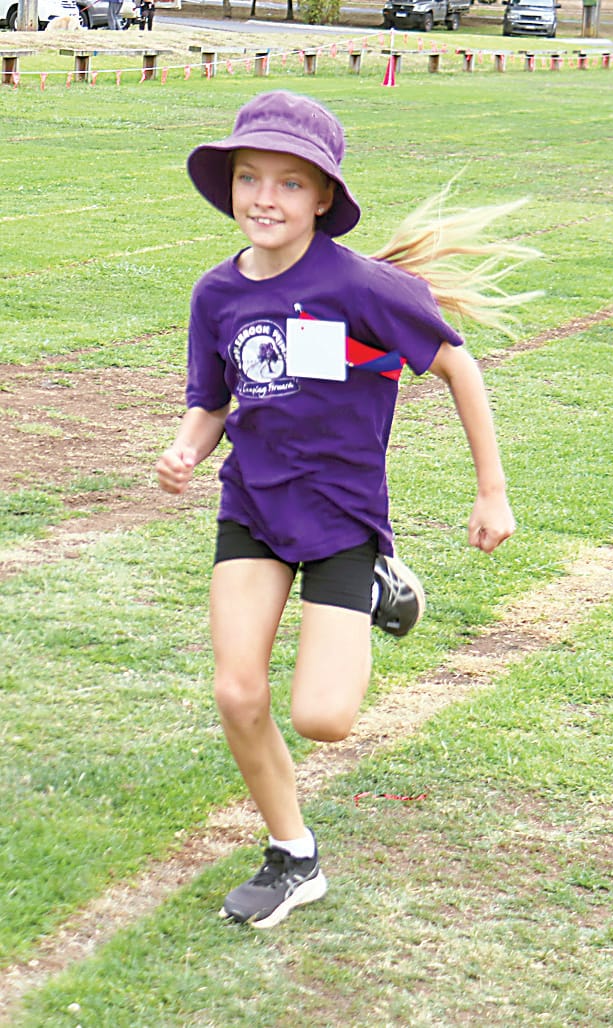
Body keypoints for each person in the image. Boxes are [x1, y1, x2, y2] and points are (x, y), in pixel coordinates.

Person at [156, 90, 535, 929]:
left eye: (289, 184)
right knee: (236, 691)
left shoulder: (363, 286)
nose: (263, 197)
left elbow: (460, 369)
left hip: (340, 521)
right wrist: (188, 446)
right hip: (252, 509)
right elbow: (212, 399)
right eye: (249, 177)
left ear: (323, 197)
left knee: (323, 719)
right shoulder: (215, 294)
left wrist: (492, 492)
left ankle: (377, 585)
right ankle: (294, 858)